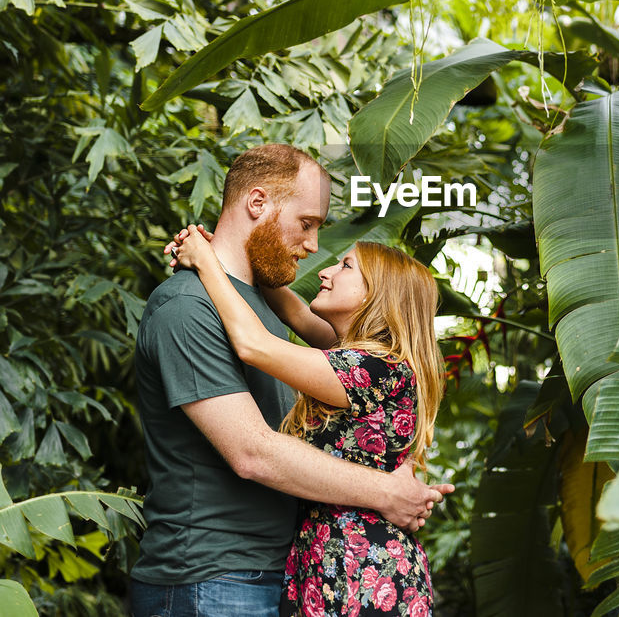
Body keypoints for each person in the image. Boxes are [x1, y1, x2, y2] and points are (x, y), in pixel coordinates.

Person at [130, 144, 451, 617]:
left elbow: (263, 338)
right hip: (213, 577)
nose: (316, 248)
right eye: (308, 223)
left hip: (292, 574)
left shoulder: (342, 351)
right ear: (257, 203)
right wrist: (387, 491)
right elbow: (252, 450)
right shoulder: (189, 305)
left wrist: (210, 261)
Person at [169, 228, 442, 617]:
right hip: (331, 564)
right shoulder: (356, 360)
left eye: (345, 266)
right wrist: (229, 253)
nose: (326, 271)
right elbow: (295, 311)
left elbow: (253, 345)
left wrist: (205, 261)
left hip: (364, 573)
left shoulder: (375, 369)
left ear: (375, 295)